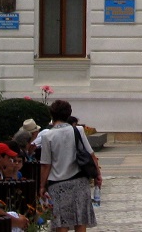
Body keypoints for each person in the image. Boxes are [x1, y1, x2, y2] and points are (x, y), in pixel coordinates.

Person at [38, 99, 99, 232]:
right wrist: (97, 176)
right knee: (80, 220)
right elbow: (91, 154)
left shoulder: (48, 136)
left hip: (58, 183)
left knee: (61, 222)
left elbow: (46, 164)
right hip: (79, 181)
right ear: (68, 114)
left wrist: (42, 186)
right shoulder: (78, 130)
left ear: (52, 115)